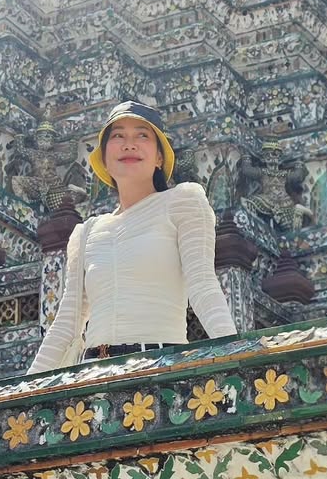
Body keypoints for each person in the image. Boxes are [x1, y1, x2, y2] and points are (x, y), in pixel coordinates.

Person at [28, 101, 236, 372]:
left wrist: (236, 355)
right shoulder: (86, 232)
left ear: (159, 157)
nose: (129, 145)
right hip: (92, 374)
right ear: (104, 158)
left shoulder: (183, 202)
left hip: (160, 367)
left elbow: (203, 286)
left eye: (142, 135)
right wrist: (24, 387)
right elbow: (67, 324)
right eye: (118, 136)